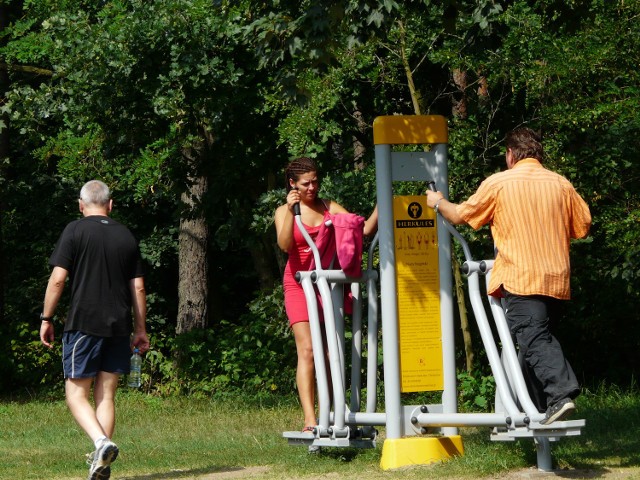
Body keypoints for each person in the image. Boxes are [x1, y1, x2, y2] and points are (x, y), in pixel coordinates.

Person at [425, 127, 591, 425]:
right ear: (539, 154)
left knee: (534, 337)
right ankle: (542, 411)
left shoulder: (500, 183)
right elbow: (582, 226)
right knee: (534, 342)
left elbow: (462, 215)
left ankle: (560, 394)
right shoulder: (561, 184)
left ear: (510, 154)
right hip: (556, 277)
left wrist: (437, 202)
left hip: (521, 275)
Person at [39, 180, 149, 479]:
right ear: (110, 205)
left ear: (81, 204)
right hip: (119, 325)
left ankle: (101, 443)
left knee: (76, 394)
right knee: (106, 396)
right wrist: (140, 329)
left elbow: (58, 279)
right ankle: (101, 463)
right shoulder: (125, 235)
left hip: (84, 323)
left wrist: (46, 317)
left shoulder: (75, 230)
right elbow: (138, 287)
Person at [274, 157, 378, 436]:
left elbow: (363, 229)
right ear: (293, 184)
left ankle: (330, 413)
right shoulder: (283, 211)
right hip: (298, 283)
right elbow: (285, 245)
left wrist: (383, 201)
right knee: (307, 350)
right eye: (306, 183)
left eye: (316, 181)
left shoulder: (328, 206)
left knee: (332, 351)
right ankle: (310, 419)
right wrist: (289, 209)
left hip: (326, 284)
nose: (312, 187)